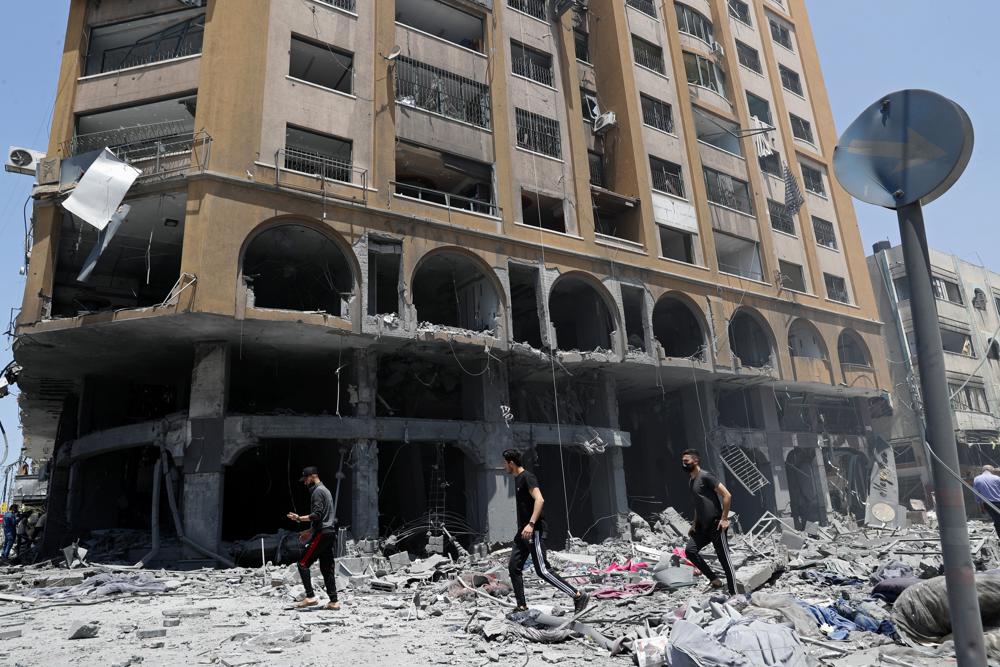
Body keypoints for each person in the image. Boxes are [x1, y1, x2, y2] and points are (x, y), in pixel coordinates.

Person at [503, 449, 589, 615]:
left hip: (532, 531)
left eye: (504, 463)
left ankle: (578, 595)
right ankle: (521, 606)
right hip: (523, 533)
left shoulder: (527, 477)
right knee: (514, 567)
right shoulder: (518, 480)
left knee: (542, 570)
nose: (503, 466)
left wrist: (531, 524)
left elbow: (540, 499)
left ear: (511, 463)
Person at [682, 449, 737, 594]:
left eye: (686, 461)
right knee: (690, 551)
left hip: (716, 524)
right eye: (683, 461)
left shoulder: (706, 476)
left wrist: (724, 518)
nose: (684, 464)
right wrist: (694, 523)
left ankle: (734, 594)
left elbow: (727, 495)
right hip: (702, 527)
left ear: (695, 460)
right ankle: (714, 579)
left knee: (724, 560)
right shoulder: (691, 481)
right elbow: (698, 504)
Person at [286, 466, 340, 610]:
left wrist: (298, 518)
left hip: (322, 533)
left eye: (305, 479)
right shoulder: (326, 491)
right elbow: (324, 517)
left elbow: (317, 515)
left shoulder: (317, 492)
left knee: (303, 563)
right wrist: (310, 531)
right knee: (326, 567)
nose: (305, 483)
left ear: (312, 477)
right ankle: (334, 601)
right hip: (329, 532)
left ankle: (310, 597)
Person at [973, 465, 1000, 539]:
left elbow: (977, 494)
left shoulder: (977, 479)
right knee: (998, 521)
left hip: (987, 504)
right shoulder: (997, 478)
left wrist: (981, 507)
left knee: (997, 522)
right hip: (998, 502)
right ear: (991, 470)